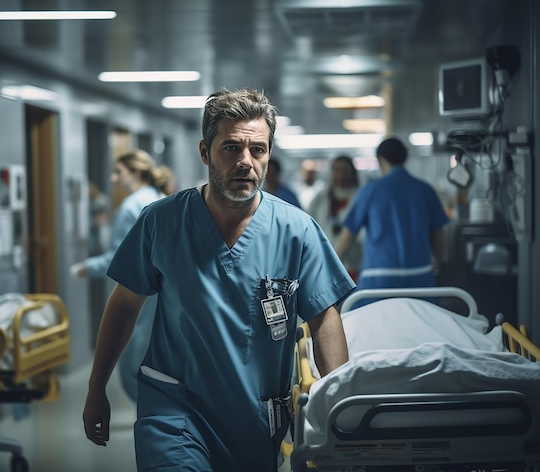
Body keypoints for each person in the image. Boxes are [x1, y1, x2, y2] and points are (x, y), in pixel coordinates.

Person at [82, 88, 355, 472]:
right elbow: (124, 305)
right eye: (231, 148)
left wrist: (343, 406)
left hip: (255, 419)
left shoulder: (297, 231)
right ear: (204, 151)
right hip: (174, 409)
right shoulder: (161, 222)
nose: (246, 161)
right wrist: (96, 390)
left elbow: (323, 317)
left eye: (257, 150)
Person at [73, 150, 171, 402]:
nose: (114, 179)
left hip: (141, 294)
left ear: (136, 172)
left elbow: (120, 258)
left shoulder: (132, 207)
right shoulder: (161, 200)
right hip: (165, 292)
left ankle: (152, 423)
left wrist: (85, 268)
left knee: (132, 367)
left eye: (119, 172)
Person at [334, 137, 449, 308]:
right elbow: (438, 236)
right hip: (420, 281)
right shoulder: (425, 190)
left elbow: (347, 237)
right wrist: (436, 262)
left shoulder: (371, 190)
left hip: (377, 283)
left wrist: (329, 270)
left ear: (381, 160)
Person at [307, 155, 362, 280]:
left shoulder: (360, 197)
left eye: (345, 171)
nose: (341, 175)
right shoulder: (320, 198)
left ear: (352, 173)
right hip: (324, 261)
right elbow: (309, 227)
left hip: (353, 264)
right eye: (337, 170)